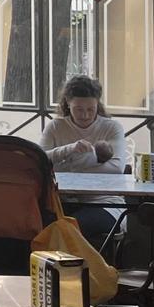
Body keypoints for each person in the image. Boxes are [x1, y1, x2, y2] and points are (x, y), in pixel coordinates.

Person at [40, 75, 128, 239]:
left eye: (91, 109)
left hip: (104, 203)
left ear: (97, 105)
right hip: (61, 201)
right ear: (67, 103)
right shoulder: (55, 127)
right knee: (38, 225)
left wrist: (69, 166)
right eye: (79, 109)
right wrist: (69, 149)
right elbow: (41, 161)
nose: (86, 115)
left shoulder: (111, 128)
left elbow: (116, 168)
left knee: (68, 229)